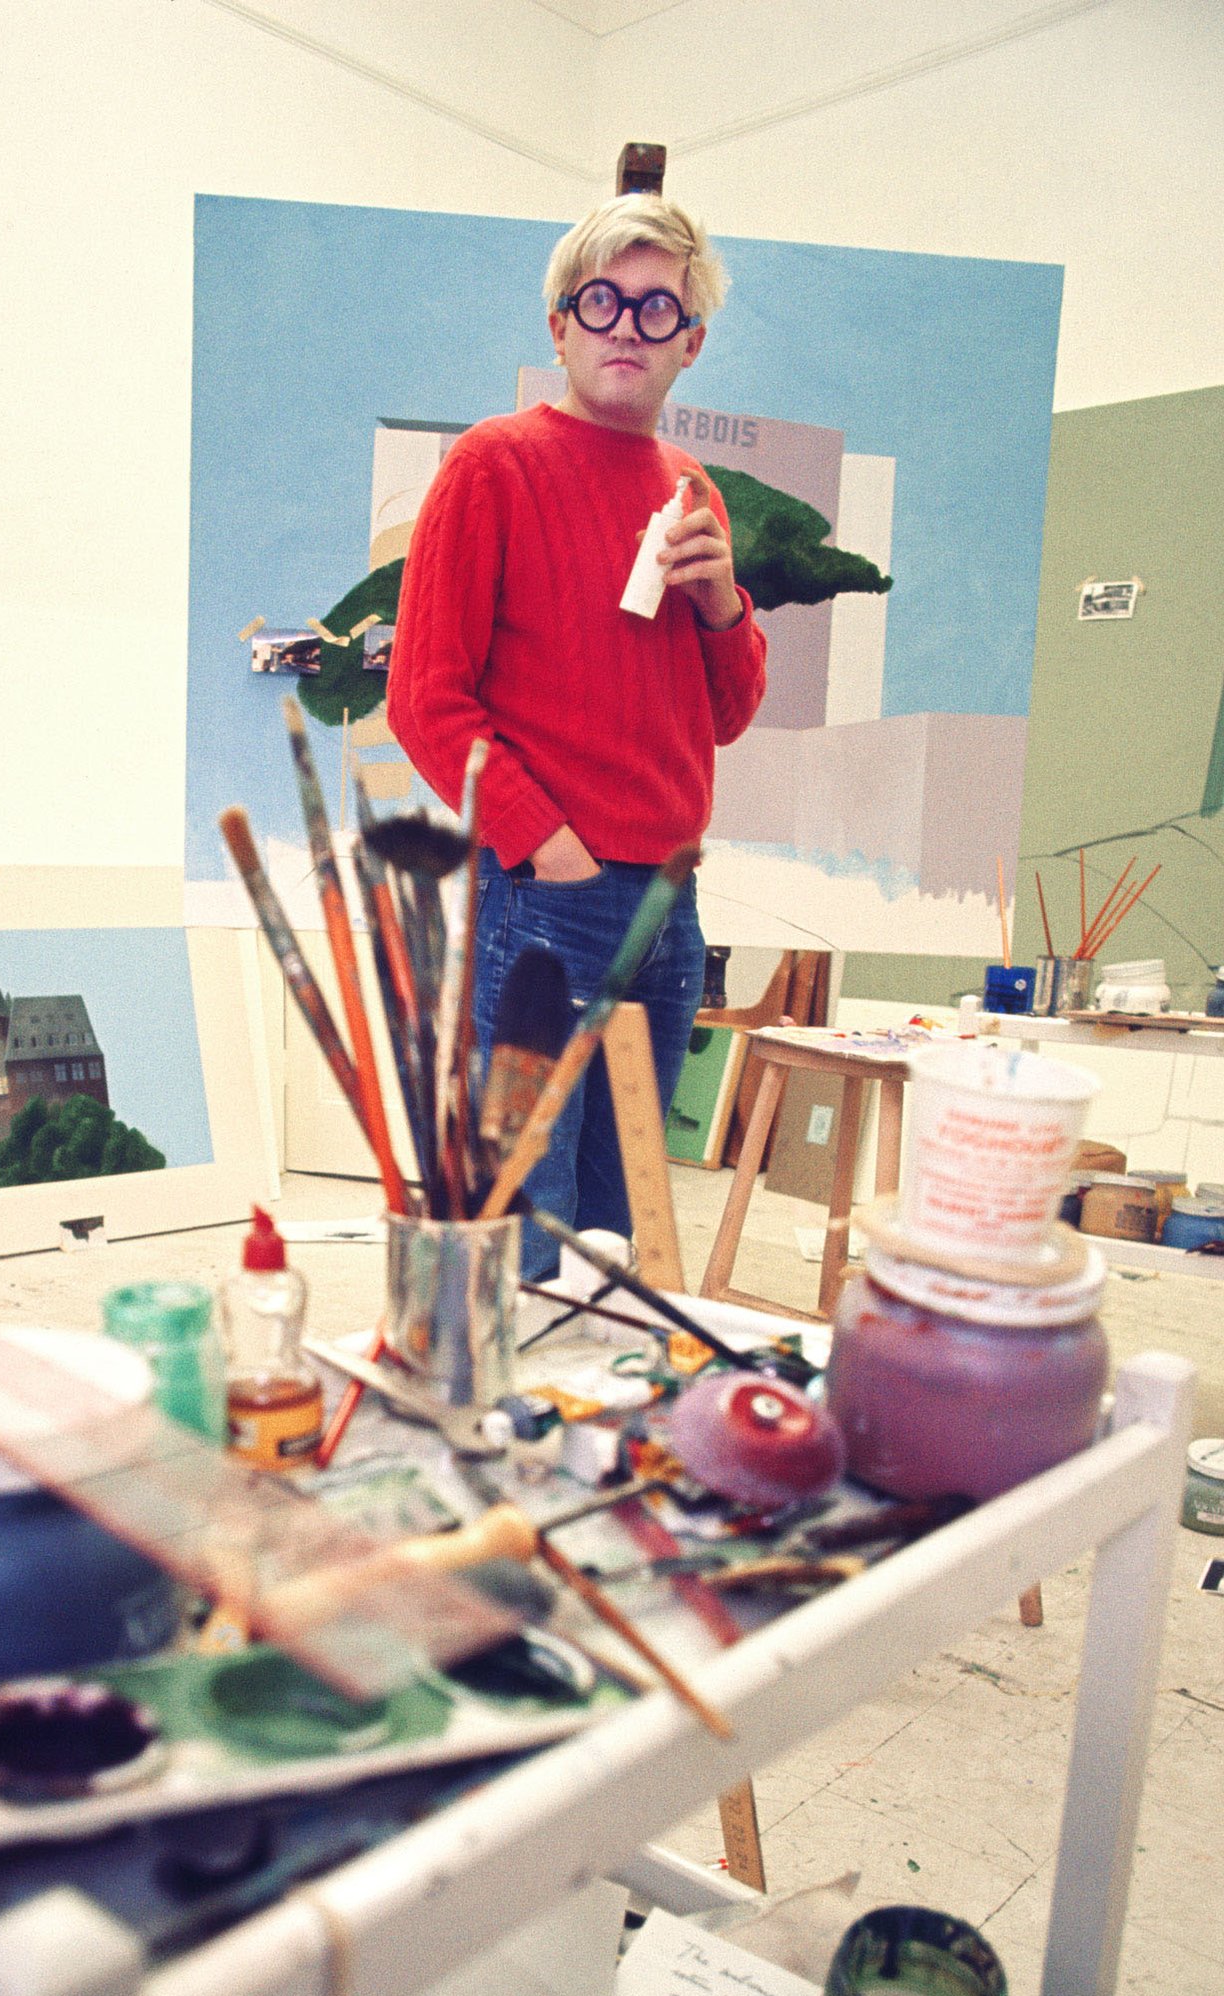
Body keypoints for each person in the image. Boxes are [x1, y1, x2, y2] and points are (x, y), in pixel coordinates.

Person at [387, 194, 767, 1278]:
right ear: (560, 324)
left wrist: (721, 606)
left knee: (631, 1212)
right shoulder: (492, 465)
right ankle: (507, 1424)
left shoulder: (692, 494)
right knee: (528, 1208)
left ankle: (609, 1427)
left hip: (667, 905)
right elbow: (426, 700)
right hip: (548, 893)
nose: (626, 328)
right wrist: (545, 848)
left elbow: (725, 718)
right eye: (601, 301)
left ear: (690, 344)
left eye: (658, 311)